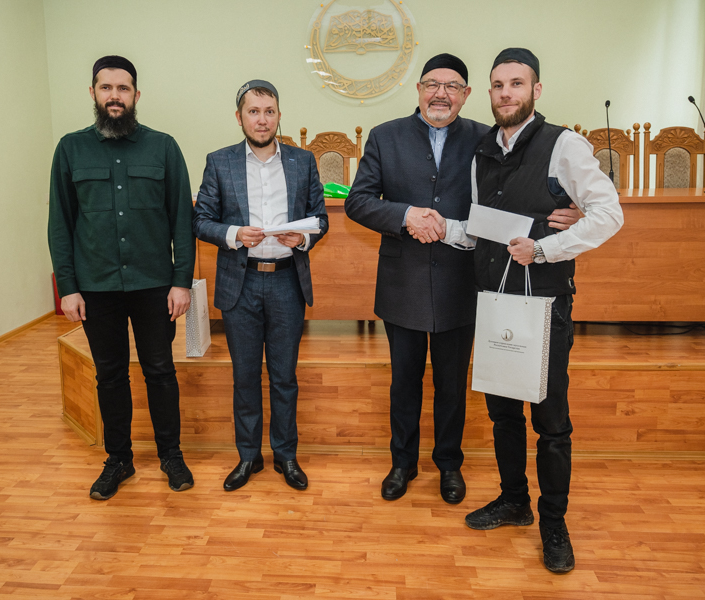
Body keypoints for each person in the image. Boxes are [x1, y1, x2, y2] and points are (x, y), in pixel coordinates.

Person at [345, 53, 581, 504]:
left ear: (467, 94)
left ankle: (449, 464)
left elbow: (516, 196)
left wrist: (566, 211)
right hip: (402, 282)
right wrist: (405, 215)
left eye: (452, 86)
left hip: (464, 282)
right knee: (404, 381)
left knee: (452, 384)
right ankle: (402, 462)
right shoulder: (384, 136)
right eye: (432, 84)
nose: (441, 94)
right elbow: (358, 201)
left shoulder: (486, 138)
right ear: (418, 90)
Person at [433, 48, 623, 573]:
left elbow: (609, 214)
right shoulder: (481, 151)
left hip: (544, 304)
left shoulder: (564, 144)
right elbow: (481, 230)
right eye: (498, 85)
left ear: (536, 90)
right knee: (502, 413)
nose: (506, 93)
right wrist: (437, 225)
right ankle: (514, 500)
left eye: (516, 84)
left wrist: (543, 249)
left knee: (550, 421)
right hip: (494, 301)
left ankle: (553, 524)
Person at [48, 55, 195, 501]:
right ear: (93, 93)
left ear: (136, 95)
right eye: (106, 87)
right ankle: (118, 459)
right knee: (110, 375)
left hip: (154, 284)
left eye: (123, 88)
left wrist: (181, 281)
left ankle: (171, 455)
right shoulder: (70, 149)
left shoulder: (163, 147)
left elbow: (181, 220)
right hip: (96, 287)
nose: (115, 96)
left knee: (160, 371)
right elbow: (60, 224)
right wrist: (68, 288)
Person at [193, 80, 329, 492]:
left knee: (284, 377)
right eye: (253, 111)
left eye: (269, 111)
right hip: (241, 283)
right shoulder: (219, 162)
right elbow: (201, 220)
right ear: (239, 118)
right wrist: (234, 234)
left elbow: (320, 218)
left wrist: (302, 238)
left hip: (287, 282)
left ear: (279, 116)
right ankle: (248, 456)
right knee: (245, 377)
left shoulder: (303, 161)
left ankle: (286, 456)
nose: (262, 119)